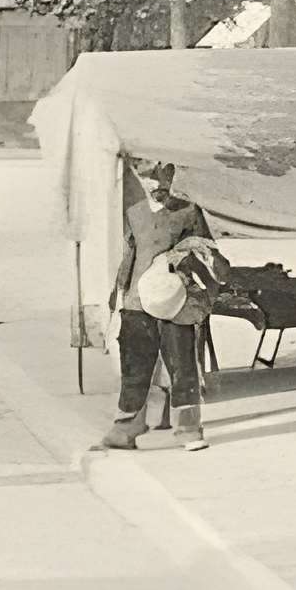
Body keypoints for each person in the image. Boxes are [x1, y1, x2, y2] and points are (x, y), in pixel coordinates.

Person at [103, 155, 215, 452]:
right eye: (149, 180)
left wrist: (184, 258)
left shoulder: (189, 212)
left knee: (183, 365)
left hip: (174, 302)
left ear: (171, 178)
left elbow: (207, 251)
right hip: (136, 304)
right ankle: (126, 429)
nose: (156, 186)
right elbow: (128, 255)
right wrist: (118, 297)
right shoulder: (134, 213)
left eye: (162, 179)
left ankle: (188, 430)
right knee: (134, 366)